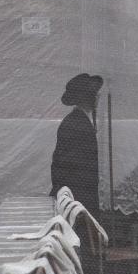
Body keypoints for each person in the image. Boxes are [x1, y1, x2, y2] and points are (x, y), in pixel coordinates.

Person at [50, 73, 103, 213]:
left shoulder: (76, 120)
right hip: (79, 199)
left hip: (76, 197)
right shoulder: (78, 124)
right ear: (88, 98)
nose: (98, 97)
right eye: (95, 94)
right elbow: (72, 168)